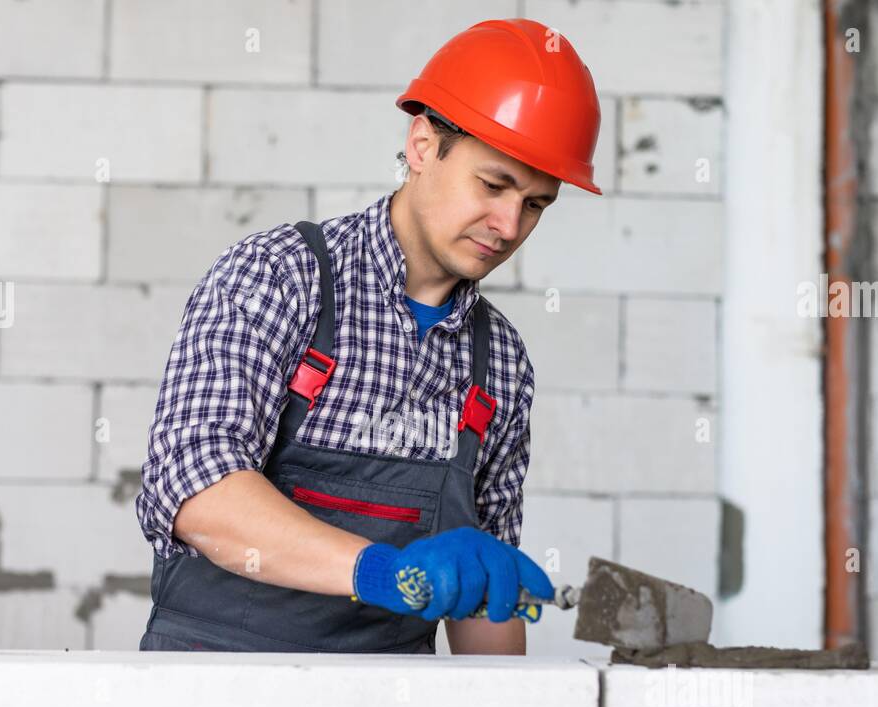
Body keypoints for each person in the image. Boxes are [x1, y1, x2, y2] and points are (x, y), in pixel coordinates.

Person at [136, 18, 602, 654]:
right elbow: (196, 489)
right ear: (421, 145)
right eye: (493, 185)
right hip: (216, 696)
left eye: (535, 205)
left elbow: (482, 597)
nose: (507, 223)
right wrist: (383, 572)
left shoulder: (501, 364)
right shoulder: (280, 277)